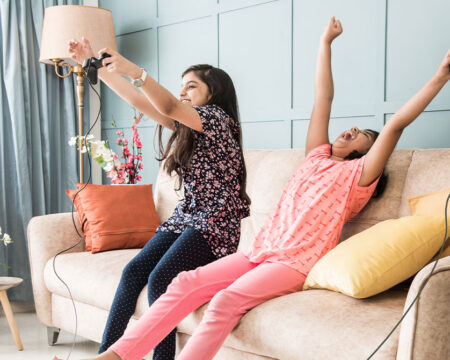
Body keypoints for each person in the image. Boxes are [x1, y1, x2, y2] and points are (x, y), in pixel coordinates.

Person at [68, 16, 449, 360]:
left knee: (225, 302)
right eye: (353, 128)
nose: (352, 131)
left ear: (367, 156)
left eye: (363, 136)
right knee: (184, 283)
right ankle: (115, 356)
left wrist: (440, 76)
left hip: (293, 262)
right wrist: (324, 44)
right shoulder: (314, 157)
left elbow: (396, 123)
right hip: (261, 250)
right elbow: (323, 98)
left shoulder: (358, 178)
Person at [65, 37, 251, 360]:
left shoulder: (217, 120)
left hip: (214, 224)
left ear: (213, 93)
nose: (182, 93)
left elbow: (166, 105)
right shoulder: (189, 125)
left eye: (191, 87)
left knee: (160, 280)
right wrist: (94, 67)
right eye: (181, 87)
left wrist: (134, 70)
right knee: (132, 273)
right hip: (188, 216)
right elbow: (141, 102)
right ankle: (104, 355)